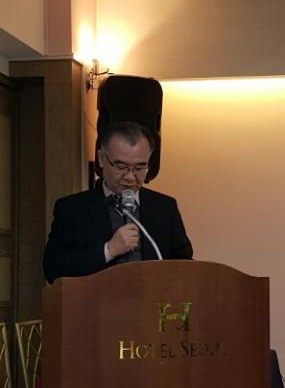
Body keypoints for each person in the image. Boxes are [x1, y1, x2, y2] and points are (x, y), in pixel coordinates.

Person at [43, 121, 192, 283]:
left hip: (152, 297)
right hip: (96, 297)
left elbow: (185, 264)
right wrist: (109, 250)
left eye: (139, 168)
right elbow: (53, 269)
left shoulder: (164, 208)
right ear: (101, 159)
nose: (130, 177)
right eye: (121, 167)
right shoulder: (72, 209)